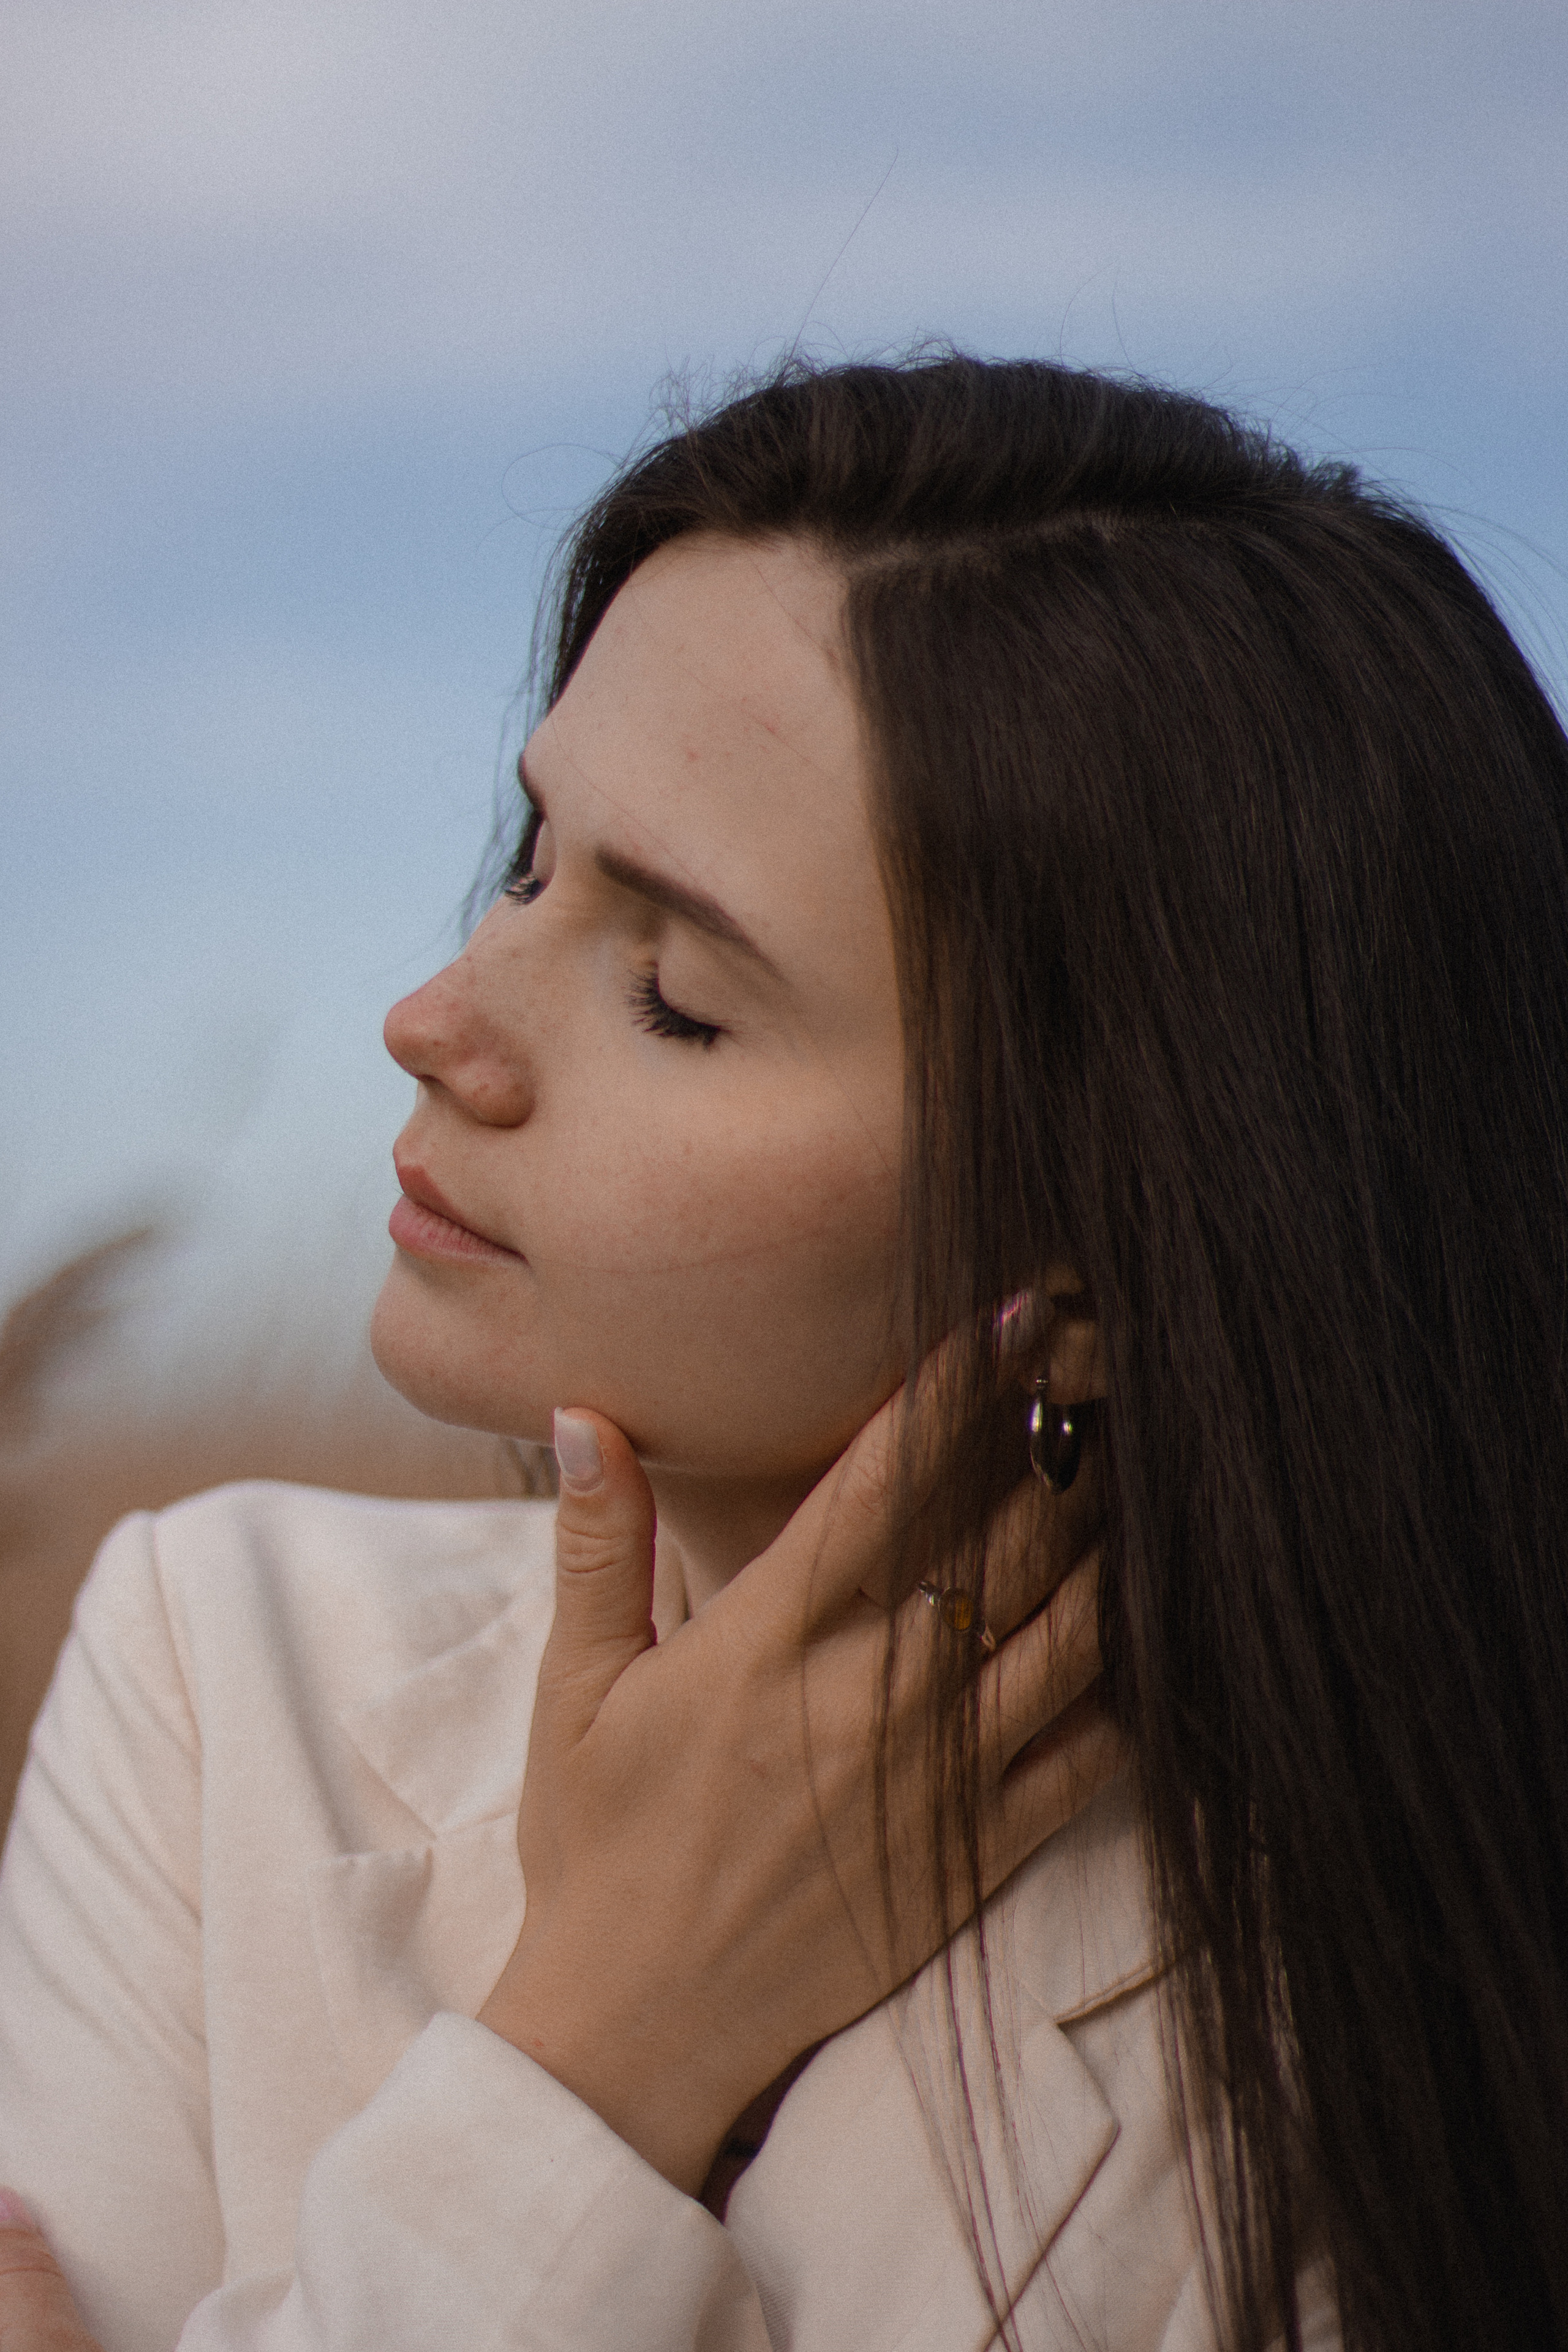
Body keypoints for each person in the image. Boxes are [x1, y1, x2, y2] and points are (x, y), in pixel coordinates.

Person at [0, 353, 1564, 2352]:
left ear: (1096, 1258)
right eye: (531, 862)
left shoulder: (1383, 2030)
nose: (431, 1020)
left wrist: (557, 2107)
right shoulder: (228, 1659)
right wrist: (610, 2042)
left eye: (670, 991)